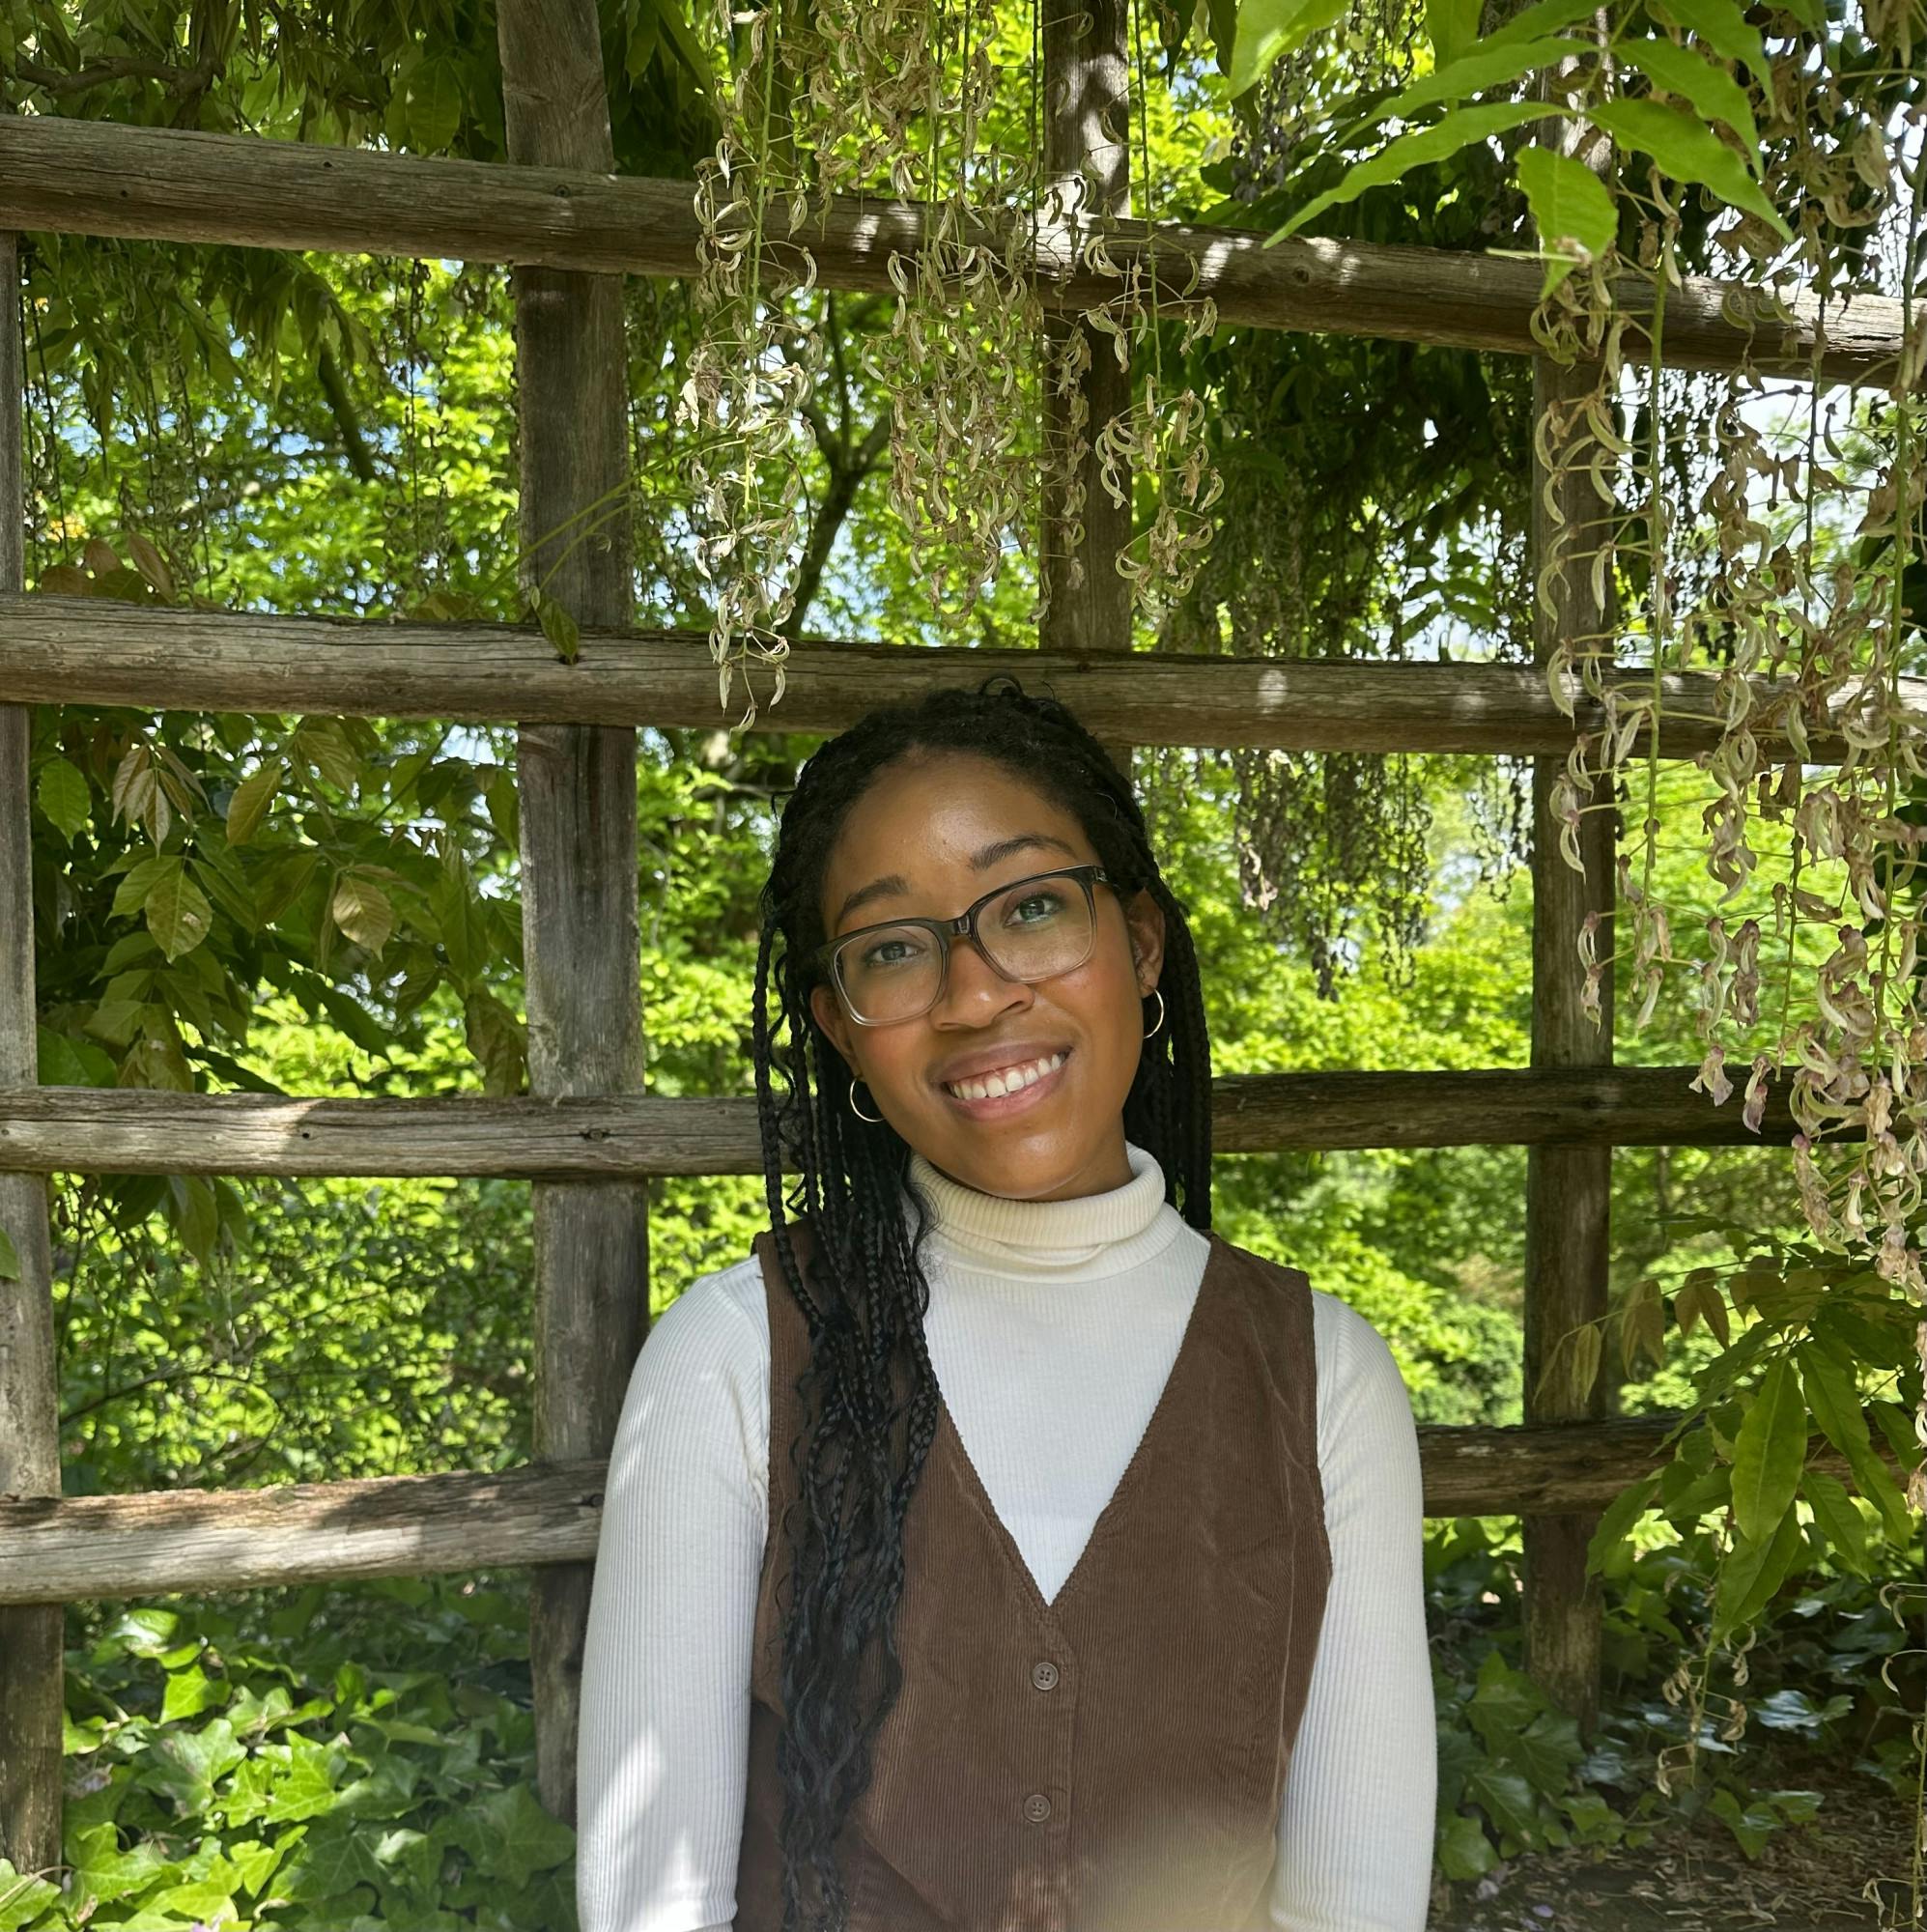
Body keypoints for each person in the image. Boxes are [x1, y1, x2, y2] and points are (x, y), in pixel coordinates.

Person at [576, 676, 1435, 1932]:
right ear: (839, 1027)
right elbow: (661, 1903)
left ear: (1141, 941)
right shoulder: (730, 1359)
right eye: (893, 949)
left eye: (1030, 908)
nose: (974, 994)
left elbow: (1355, 1906)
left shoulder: (1323, 1383)